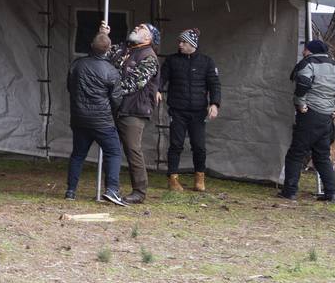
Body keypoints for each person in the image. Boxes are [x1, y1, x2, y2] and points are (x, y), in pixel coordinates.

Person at [279, 40, 335, 201]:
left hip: (309, 114)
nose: (303, 52)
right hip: (326, 116)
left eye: (305, 49)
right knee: (322, 156)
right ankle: (331, 192)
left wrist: (300, 102)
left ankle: (289, 191)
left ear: (310, 50)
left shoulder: (309, 63)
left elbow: (304, 82)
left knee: (296, 154)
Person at [100, 21, 160, 205]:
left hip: (134, 109)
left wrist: (107, 90)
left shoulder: (149, 57)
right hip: (115, 106)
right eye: (137, 26)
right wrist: (103, 36)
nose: (136, 28)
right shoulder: (122, 48)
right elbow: (101, 53)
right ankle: (111, 188)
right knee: (111, 148)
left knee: (132, 149)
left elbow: (134, 84)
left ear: (148, 37)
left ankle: (139, 192)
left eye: (141, 28)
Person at [159, 28, 221, 192]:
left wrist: (214, 104)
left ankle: (199, 178)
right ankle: (173, 179)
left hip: (198, 111)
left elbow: (214, 84)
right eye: (180, 42)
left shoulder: (206, 61)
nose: (180, 44)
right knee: (176, 145)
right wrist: (157, 90)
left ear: (192, 44)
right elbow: (162, 78)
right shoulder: (172, 60)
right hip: (177, 110)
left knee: (199, 146)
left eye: (183, 42)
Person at [65, 32, 123, 204]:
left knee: (78, 154)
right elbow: (116, 99)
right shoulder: (111, 71)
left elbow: (70, 87)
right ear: (108, 49)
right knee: (113, 152)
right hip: (102, 120)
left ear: (91, 45)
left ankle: (70, 191)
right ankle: (112, 189)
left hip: (79, 118)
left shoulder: (77, 65)